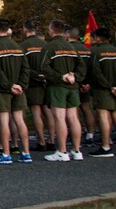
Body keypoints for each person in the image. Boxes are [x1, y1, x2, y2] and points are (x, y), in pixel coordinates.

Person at [0, 18, 32, 165]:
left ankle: (6, 154)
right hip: (18, 89)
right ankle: (26, 153)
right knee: (20, 120)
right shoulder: (17, 47)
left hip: (2, 90)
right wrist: (21, 85)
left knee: (4, 121)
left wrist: (8, 86)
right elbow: (26, 68)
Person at [41, 19, 85, 162]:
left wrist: (61, 77)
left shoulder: (50, 46)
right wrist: (75, 76)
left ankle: (62, 151)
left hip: (58, 87)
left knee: (60, 118)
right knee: (73, 118)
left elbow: (44, 68)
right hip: (72, 86)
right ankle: (77, 151)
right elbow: (82, 67)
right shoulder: (72, 47)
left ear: (52, 30)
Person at [88, 27, 116, 157]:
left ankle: (106, 147)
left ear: (98, 38)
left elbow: (96, 72)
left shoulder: (96, 51)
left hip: (103, 90)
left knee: (103, 117)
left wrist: (109, 87)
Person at [20, 20, 53, 152]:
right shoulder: (46, 45)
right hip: (47, 82)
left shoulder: (23, 46)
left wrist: (36, 76)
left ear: (25, 29)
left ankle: (41, 141)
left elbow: (24, 67)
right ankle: (51, 140)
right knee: (48, 111)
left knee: (36, 112)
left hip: (33, 83)